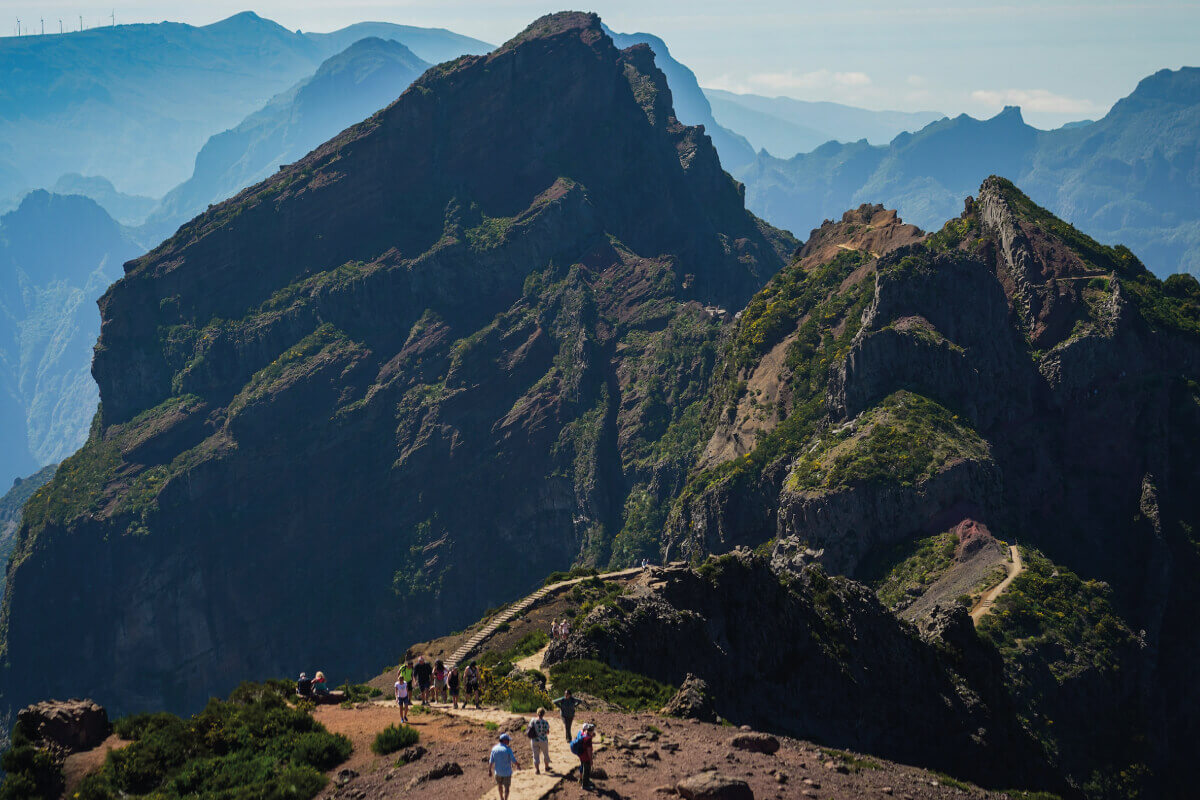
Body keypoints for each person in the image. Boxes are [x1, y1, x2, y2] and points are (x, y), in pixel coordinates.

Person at [488, 732, 520, 800]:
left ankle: (501, 798)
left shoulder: (494, 749)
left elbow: (491, 761)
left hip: (498, 772)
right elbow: (513, 759)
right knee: (507, 788)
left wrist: (489, 770)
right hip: (507, 773)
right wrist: (518, 765)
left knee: (499, 786)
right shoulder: (508, 749)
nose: (509, 741)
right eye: (508, 740)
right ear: (504, 740)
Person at [528, 707, 552, 774]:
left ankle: (537, 770)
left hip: (534, 740)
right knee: (545, 753)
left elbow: (529, 728)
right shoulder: (545, 722)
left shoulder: (533, 720)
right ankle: (546, 767)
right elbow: (547, 732)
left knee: (535, 755)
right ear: (543, 714)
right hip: (543, 740)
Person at [575, 722, 595, 788]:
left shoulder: (583, 734)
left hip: (581, 755)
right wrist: (591, 760)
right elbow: (589, 751)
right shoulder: (588, 739)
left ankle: (584, 780)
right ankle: (585, 785)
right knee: (586, 770)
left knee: (583, 768)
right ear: (591, 731)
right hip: (586, 757)